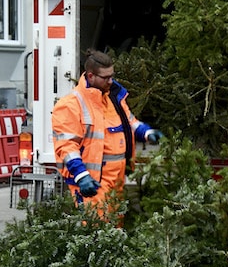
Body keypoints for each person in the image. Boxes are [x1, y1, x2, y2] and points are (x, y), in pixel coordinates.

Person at [51, 50, 161, 214]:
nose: (111, 81)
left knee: (114, 227)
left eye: (112, 76)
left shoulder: (112, 98)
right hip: (92, 181)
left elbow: (129, 122)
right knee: (98, 229)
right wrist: (81, 176)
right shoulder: (70, 104)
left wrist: (146, 132)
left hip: (116, 179)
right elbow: (67, 146)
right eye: (105, 77)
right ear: (90, 76)